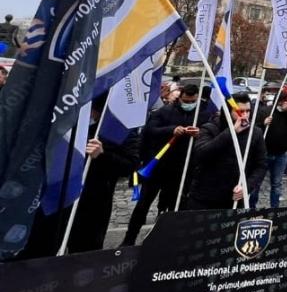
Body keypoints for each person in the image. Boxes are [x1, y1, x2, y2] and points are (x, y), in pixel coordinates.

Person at [19, 95, 139, 258]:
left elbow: (130, 165)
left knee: (83, 255)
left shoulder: (121, 129)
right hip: (54, 198)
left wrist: (102, 155)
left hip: (91, 204)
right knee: (41, 250)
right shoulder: (63, 121)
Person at [121, 83, 203, 246]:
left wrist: (199, 133)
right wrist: (171, 130)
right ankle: (129, 239)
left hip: (181, 170)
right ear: (180, 98)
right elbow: (150, 131)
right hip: (158, 168)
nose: (189, 104)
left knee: (174, 208)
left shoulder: (202, 113)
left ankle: (167, 241)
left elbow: (208, 133)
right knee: (143, 204)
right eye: (186, 101)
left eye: (192, 101)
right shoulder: (164, 112)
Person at [184, 92, 267, 210]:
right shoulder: (210, 128)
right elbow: (201, 154)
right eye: (239, 111)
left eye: (247, 111)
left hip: (234, 198)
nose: (244, 115)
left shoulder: (255, 133)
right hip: (205, 197)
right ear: (228, 111)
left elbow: (261, 165)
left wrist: (247, 186)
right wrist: (231, 132)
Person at [252, 84, 287, 208]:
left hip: (281, 154)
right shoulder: (266, 111)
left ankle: (274, 209)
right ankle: (251, 208)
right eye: (280, 103)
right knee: (256, 184)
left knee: (276, 184)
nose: (282, 105)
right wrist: (262, 123)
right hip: (264, 154)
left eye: (284, 103)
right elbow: (253, 129)